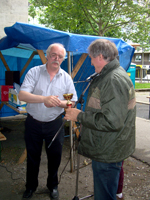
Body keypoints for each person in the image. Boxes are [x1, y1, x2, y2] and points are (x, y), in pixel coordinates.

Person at [64, 39, 136, 200]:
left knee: (104, 195)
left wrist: (79, 116)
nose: (90, 61)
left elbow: (112, 121)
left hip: (108, 149)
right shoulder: (110, 75)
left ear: (100, 57)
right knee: (105, 190)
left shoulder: (112, 80)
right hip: (109, 145)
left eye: (90, 57)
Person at [18, 43, 78, 199]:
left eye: (60, 56)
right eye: (53, 55)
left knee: (55, 157)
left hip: (54, 124)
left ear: (63, 59)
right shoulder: (34, 72)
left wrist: (60, 104)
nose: (56, 58)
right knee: (32, 157)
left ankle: (53, 186)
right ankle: (30, 187)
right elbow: (22, 95)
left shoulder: (66, 78)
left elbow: (72, 102)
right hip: (33, 123)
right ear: (47, 55)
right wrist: (43, 99)